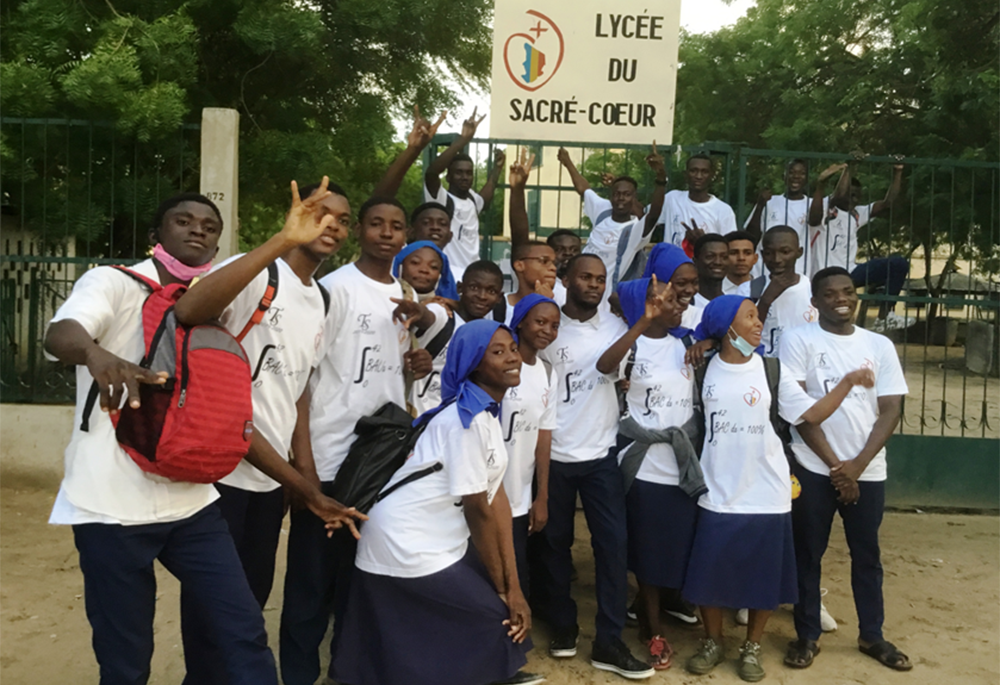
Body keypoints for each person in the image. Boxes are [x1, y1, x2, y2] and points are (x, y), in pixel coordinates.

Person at [43, 193, 279, 684]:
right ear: (158, 235)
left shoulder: (215, 306)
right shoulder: (113, 282)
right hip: (109, 503)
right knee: (126, 660)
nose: (198, 230)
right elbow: (59, 333)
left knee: (243, 629)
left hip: (190, 501)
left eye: (210, 226)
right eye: (183, 221)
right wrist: (95, 354)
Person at [173, 179, 367, 684]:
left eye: (343, 220)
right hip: (220, 471)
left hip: (269, 479)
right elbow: (189, 312)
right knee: (215, 612)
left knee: (249, 601)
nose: (333, 225)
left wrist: (302, 474)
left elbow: (297, 390)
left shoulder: (320, 300)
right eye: (320, 212)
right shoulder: (259, 273)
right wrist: (281, 240)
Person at [331, 319, 542, 685]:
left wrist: (515, 586)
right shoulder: (465, 422)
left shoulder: (485, 414)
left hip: (430, 536)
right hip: (405, 541)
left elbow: (499, 500)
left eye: (511, 348)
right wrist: (505, 591)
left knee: (492, 604)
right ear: (474, 364)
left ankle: (485, 670)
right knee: (494, 615)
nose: (513, 358)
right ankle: (487, 673)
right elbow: (479, 512)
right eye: (497, 352)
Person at [279, 195, 434, 685]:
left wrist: (417, 364)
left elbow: (395, 375)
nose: (386, 233)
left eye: (396, 225)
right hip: (328, 458)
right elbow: (302, 382)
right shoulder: (333, 290)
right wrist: (304, 471)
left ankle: (346, 669)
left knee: (357, 579)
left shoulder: (407, 291)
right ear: (361, 232)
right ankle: (299, 674)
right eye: (375, 224)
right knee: (310, 583)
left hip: (379, 460)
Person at [681, 295, 874, 682]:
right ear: (726, 328)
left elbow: (811, 414)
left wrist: (849, 381)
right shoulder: (701, 371)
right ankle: (713, 640)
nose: (758, 322)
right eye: (749, 316)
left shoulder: (771, 370)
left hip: (766, 488)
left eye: (758, 315)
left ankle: (752, 646)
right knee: (709, 570)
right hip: (717, 486)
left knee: (762, 574)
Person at [779, 266, 912, 673]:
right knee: (808, 553)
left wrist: (856, 466)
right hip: (814, 466)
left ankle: (872, 634)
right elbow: (801, 414)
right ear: (815, 301)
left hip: (866, 470)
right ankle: (806, 635)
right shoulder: (798, 340)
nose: (842, 298)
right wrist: (837, 466)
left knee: (867, 555)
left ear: (856, 296)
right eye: (831, 293)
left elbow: (890, 409)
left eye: (848, 291)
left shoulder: (879, 345)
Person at [538, 253, 655, 680]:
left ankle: (609, 639)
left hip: (601, 454)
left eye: (601, 279)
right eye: (585, 276)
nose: (593, 284)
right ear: (566, 279)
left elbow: (611, 369)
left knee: (612, 547)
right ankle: (563, 626)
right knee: (554, 545)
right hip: (553, 454)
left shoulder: (618, 326)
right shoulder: (546, 324)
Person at [597, 275, 699, 670]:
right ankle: (653, 629)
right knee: (649, 553)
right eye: (670, 299)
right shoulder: (632, 345)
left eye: (679, 299)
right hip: (645, 465)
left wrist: (705, 341)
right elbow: (605, 366)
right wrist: (642, 321)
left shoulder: (688, 342)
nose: (680, 304)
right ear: (646, 304)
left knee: (676, 547)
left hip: (682, 461)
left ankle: (645, 611)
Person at [555, 143, 669, 301]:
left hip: (606, 301)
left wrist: (661, 179)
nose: (621, 198)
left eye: (627, 194)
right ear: (611, 196)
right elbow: (584, 189)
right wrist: (567, 162)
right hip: (577, 295)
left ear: (634, 197)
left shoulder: (634, 230)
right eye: (617, 194)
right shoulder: (602, 211)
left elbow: (653, 214)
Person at [503, 294, 560, 600]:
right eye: (540, 321)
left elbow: (544, 436)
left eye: (554, 326)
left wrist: (542, 496)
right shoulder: (496, 363)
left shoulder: (548, 372)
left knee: (515, 569)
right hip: (485, 490)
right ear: (521, 320)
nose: (547, 331)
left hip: (519, 493)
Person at [807, 163, 908, 330]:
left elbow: (887, 203)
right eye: (850, 195)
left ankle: (884, 316)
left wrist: (898, 172)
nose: (853, 200)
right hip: (827, 275)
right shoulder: (827, 210)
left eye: (857, 196)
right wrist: (849, 168)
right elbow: (837, 195)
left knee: (898, 264)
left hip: (850, 272)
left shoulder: (856, 214)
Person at [410, 259, 506, 419]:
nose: (482, 296)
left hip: (455, 424)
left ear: (499, 297)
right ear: (460, 288)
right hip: (417, 420)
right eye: (474, 287)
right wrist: (418, 310)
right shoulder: (443, 314)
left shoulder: (489, 335)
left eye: (491, 291)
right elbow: (428, 316)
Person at [424, 108, 505, 283]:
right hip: (449, 274)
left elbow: (485, 197)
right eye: (459, 172)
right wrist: (463, 140)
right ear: (448, 176)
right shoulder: (441, 199)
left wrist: (497, 169)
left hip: (472, 275)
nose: (464, 177)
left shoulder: (471, 199)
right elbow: (431, 173)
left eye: (469, 173)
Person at [501, 150, 557, 321]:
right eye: (543, 261)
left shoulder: (563, 296)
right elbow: (520, 237)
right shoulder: (497, 306)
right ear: (519, 265)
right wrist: (517, 189)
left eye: (554, 262)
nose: (553, 268)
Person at [754, 226, 818, 357]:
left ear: (799, 252)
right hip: (764, 367)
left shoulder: (813, 289)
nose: (777, 259)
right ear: (762, 255)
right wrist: (765, 300)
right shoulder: (749, 289)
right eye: (769, 253)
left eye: (785, 252)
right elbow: (740, 335)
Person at [744, 159, 811, 276]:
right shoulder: (770, 201)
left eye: (802, 173)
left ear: (807, 179)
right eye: (791, 172)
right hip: (763, 270)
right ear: (784, 176)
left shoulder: (812, 206)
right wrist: (760, 205)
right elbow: (751, 236)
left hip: (797, 269)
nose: (796, 176)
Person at [657, 154, 738, 250]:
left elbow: (729, 247)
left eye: (704, 172)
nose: (698, 176)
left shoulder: (724, 210)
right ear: (685, 174)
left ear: (712, 176)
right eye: (693, 171)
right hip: (672, 264)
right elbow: (646, 219)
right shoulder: (672, 199)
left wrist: (703, 242)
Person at [644, 242, 704, 332]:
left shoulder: (702, 319)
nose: (690, 290)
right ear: (659, 282)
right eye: (681, 283)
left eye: (695, 282)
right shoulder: (631, 321)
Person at [692, 234, 731, 307]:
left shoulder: (733, 303)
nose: (718, 262)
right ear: (695, 261)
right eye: (710, 256)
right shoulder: (686, 304)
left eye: (724, 257)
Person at [546, 229, 582, 306]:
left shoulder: (588, 285)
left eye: (574, 250)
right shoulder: (541, 283)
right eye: (559, 249)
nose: (568, 253)